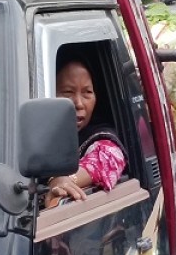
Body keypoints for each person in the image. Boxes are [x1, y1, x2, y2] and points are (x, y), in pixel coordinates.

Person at [44, 58, 127, 207]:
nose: (79, 103)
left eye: (87, 92)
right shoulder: (33, 136)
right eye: (68, 92)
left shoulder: (101, 138)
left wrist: (64, 180)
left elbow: (108, 157)